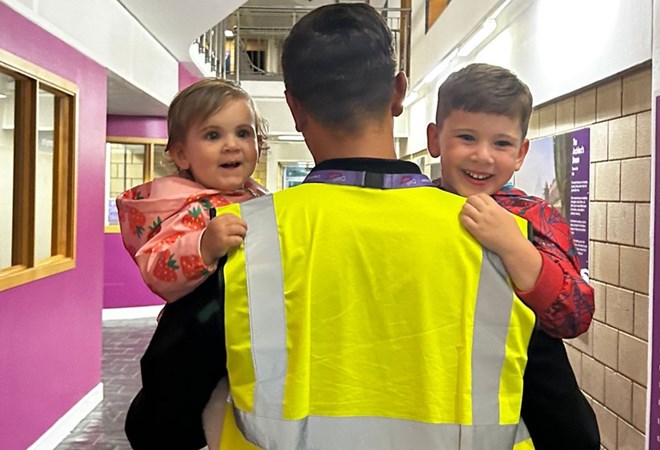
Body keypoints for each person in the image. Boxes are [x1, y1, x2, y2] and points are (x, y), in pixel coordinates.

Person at [128, 4, 537, 450]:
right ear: (399, 92)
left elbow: (157, 427)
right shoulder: (504, 241)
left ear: (294, 107)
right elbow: (567, 425)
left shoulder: (239, 236)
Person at [427, 63, 599, 449]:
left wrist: (513, 244)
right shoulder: (416, 207)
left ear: (521, 153)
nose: (483, 156)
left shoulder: (534, 217)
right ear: (435, 140)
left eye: (501, 144)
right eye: (467, 138)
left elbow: (575, 314)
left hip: (526, 407)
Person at [120, 78, 267, 450]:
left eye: (244, 133)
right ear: (182, 155)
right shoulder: (191, 207)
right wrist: (203, 245)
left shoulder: (258, 197)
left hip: (249, 337)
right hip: (204, 342)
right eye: (213, 135)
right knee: (213, 417)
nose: (231, 144)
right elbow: (156, 266)